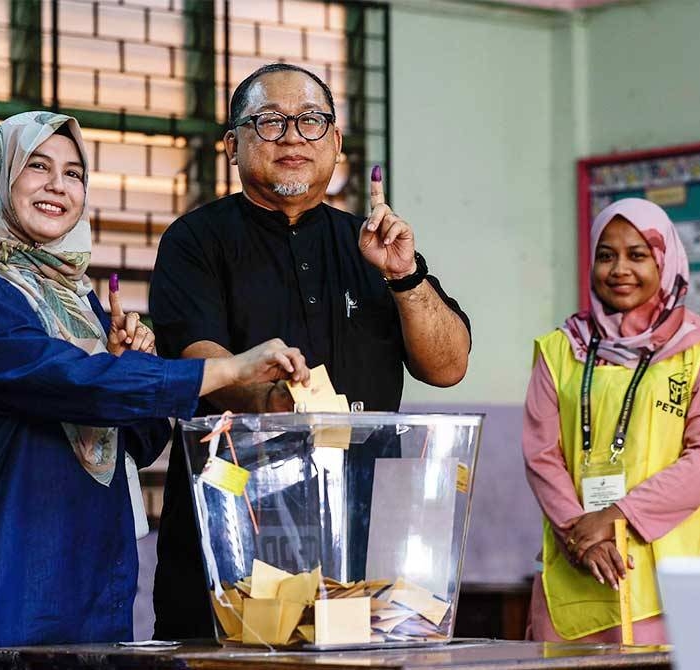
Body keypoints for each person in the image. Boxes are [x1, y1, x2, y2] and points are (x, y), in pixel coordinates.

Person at [0, 111, 310, 669]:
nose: (58, 185)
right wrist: (227, 371)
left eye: (74, 174)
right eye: (37, 167)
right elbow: (70, 382)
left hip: (92, 587)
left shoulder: (80, 303)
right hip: (2, 588)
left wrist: (130, 361)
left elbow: (133, 442)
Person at [149, 63, 472, 640]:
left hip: (359, 550)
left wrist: (404, 276)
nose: (293, 136)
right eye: (270, 122)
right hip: (232, 542)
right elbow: (200, 361)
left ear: (336, 143)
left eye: (312, 121)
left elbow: (448, 367)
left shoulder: (372, 243)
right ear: (232, 145)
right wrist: (276, 400)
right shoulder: (195, 241)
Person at [522, 198, 700, 644]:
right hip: (579, 571)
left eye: (637, 255)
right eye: (606, 255)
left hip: (671, 584)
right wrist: (581, 536)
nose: (619, 269)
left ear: (665, 262)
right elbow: (542, 456)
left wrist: (617, 515)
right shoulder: (560, 349)